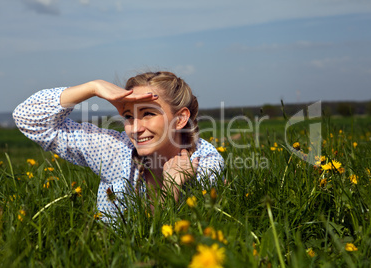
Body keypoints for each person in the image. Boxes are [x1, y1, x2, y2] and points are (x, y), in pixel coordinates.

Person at [13, 71, 224, 218]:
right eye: (128, 116)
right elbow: (29, 119)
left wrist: (173, 186)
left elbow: (173, 243)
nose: (135, 128)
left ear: (180, 119)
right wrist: (92, 87)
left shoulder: (204, 165)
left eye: (148, 113)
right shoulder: (116, 149)